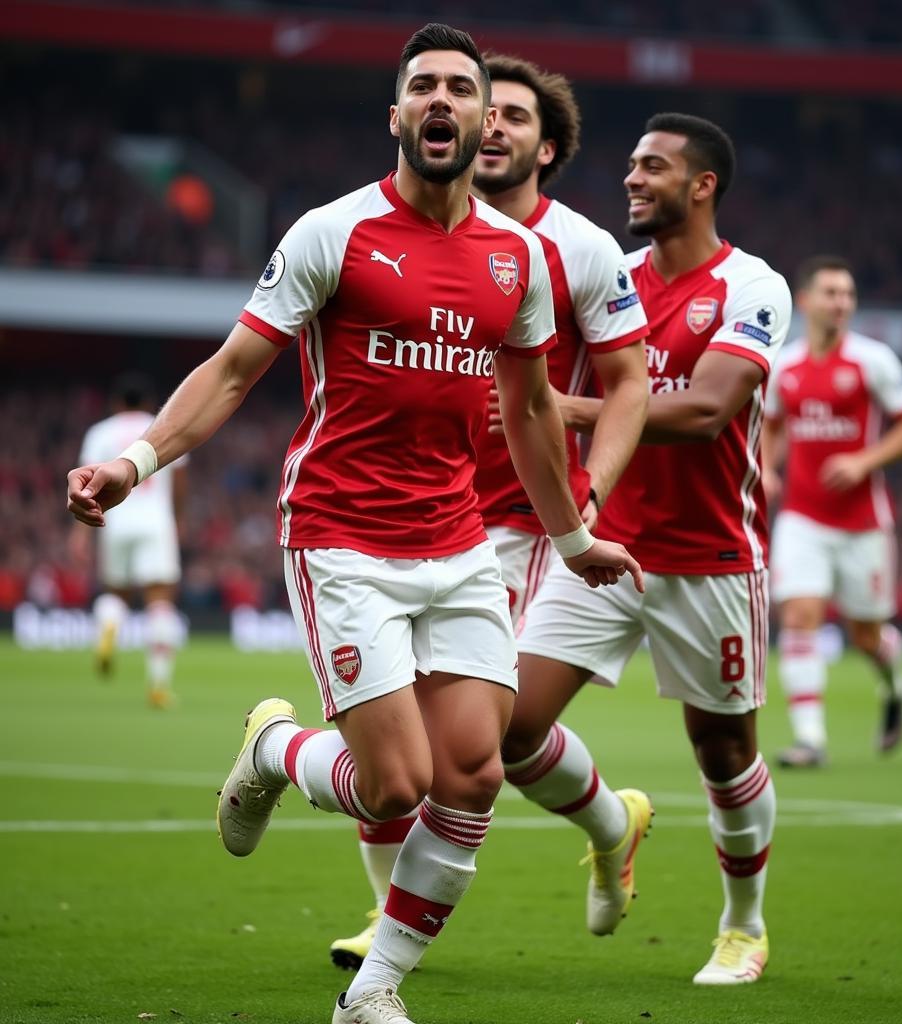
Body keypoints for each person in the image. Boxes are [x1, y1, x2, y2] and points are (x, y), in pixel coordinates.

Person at [67, 24, 642, 1024]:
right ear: (396, 115)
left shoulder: (520, 259)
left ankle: (370, 995)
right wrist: (135, 460)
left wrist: (574, 531)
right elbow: (236, 367)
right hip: (340, 536)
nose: (442, 102)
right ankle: (274, 748)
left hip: (460, 542)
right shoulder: (333, 232)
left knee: (469, 772)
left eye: (461, 89)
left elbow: (532, 409)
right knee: (392, 787)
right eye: (422, 86)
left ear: (480, 121)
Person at [329, 51, 650, 972]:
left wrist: (584, 496)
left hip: (519, 519)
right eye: (487, 109)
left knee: (480, 739)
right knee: (396, 726)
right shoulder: (383, 231)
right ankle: (392, 915)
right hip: (396, 516)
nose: (495, 126)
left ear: (544, 147)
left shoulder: (577, 248)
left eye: (514, 116)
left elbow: (627, 386)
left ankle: (598, 822)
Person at [501, 113, 792, 985]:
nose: (632, 178)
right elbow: (531, 380)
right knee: (510, 731)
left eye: (653, 167)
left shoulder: (752, 285)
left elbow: (707, 412)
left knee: (722, 751)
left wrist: (575, 411)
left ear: (701, 185)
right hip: (606, 549)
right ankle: (610, 825)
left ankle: (744, 927)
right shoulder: (609, 279)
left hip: (711, 559)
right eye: (630, 165)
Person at [761, 255, 902, 767]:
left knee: (865, 634)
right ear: (807, 301)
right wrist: (768, 469)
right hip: (802, 517)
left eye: (849, 295)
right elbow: (771, 425)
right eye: (832, 293)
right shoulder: (784, 367)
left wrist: (863, 461)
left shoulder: (871, 360)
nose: (842, 303)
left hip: (863, 523)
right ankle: (810, 740)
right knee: (799, 615)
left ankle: (893, 681)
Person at [69, 372, 186, 708]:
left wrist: (79, 533)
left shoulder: (100, 432)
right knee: (160, 600)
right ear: (150, 403)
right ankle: (159, 685)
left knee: (117, 593)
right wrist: (178, 519)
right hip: (155, 523)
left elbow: (85, 486)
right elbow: (180, 477)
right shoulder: (162, 425)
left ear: (116, 403)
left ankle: (108, 625)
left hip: (115, 522)